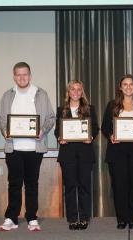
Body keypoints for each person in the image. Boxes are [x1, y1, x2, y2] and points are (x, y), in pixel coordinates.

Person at [0, 62, 55, 231]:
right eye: (18, 74)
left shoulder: (41, 94)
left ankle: (32, 218)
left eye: (25, 74)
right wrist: (5, 130)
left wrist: (42, 131)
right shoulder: (8, 95)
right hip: (13, 147)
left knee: (32, 184)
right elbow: (1, 117)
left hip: (34, 148)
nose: (22, 77)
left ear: (30, 75)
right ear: (14, 76)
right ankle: (11, 218)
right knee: (14, 183)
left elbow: (51, 117)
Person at [101, 74, 133, 229]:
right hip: (117, 152)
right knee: (119, 186)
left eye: (131, 84)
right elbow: (105, 127)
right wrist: (111, 136)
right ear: (120, 87)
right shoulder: (112, 105)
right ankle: (122, 219)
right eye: (125, 84)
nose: (128, 87)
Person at [54, 80, 99, 230]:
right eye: (72, 89)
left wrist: (90, 137)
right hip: (67, 154)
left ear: (82, 92)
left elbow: (95, 128)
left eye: (79, 89)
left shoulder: (89, 109)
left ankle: (84, 217)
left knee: (84, 186)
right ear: (68, 92)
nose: (75, 92)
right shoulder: (62, 110)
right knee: (70, 187)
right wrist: (60, 138)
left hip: (85, 153)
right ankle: (73, 218)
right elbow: (57, 130)